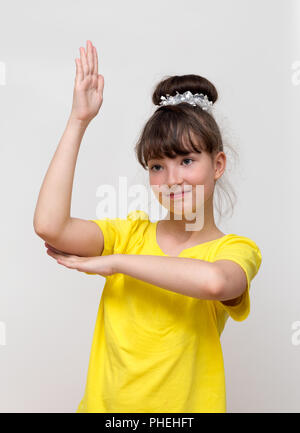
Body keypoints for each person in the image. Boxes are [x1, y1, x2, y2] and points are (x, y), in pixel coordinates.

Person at [33, 40, 262, 413]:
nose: (171, 178)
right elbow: (49, 225)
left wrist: (117, 263)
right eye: (157, 166)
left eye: (187, 161)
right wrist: (78, 121)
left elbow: (215, 283)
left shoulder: (235, 251)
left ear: (217, 164)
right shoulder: (129, 234)